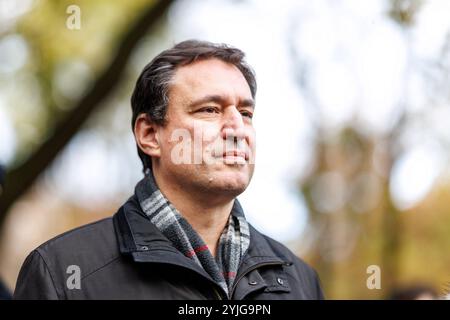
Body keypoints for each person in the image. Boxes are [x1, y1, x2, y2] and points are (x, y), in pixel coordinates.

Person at [13, 40, 324, 300]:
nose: (237, 128)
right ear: (150, 135)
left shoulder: (300, 280)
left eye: (246, 112)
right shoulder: (61, 272)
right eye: (210, 110)